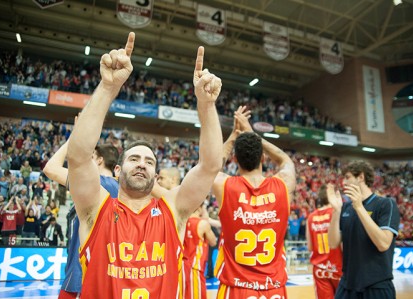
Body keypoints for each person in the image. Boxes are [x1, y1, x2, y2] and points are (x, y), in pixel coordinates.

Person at [66, 32, 223, 298]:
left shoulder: (174, 210)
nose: (142, 165)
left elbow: (210, 166)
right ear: (117, 170)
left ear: (156, 174)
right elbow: (79, 157)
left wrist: (206, 106)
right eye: (134, 159)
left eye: (149, 161)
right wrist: (107, 88)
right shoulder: (96, 207)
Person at [212, 106, 296, 298]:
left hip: (236, 287)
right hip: (274, 287)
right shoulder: (283, 185)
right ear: (263, 158)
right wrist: (251, 133)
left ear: (235, 159)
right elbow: (285, 160)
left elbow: (211, 167)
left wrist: (234, 136)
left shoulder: (225, 185)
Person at [43, 140, 119, 299]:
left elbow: (50, 168)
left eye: (92, 157)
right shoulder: (123, 191)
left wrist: (73, 138)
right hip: (110, 277)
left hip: (80, 277)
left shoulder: (94, 184)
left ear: (99, 160)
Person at [327, 160, 400, 299]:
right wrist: (336, 211)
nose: (343, 182)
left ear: (361, 177)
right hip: (347, 284)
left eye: (347, 177)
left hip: (376, 286)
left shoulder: (385, 204)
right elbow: (332, 243)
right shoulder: (346, 208)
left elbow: (383, 244)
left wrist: (360, 207)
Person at [155, 167, 217, 299]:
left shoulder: (178, 202)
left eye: (161, 178)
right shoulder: (199, 221)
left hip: (179, 265)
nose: (158, 181)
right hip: (169, 264)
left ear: (173, 180)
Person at [306, 184, 343, 299]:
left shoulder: (311, 217)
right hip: (338, 267)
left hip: (320, 269)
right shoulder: (336, 213)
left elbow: (310, 247)